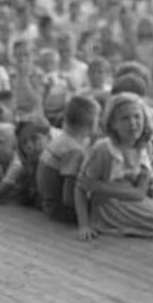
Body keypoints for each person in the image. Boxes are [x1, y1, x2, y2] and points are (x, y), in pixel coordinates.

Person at [76, 92, 153, 240]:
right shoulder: (104, 150)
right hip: (109, 210)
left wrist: (99, 187)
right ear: (113, 123)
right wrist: (83, 225)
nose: (132, 123)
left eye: (137, 117)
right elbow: (81, 187)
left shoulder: (142, 149)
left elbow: (139, 193)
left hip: (134, 203)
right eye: (125, 118)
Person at [37, 94, 99, 223]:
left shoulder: (59, 139)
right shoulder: (74, 150)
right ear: (92, 123)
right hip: (60, 210)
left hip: (46, 204)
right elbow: (69, 197)